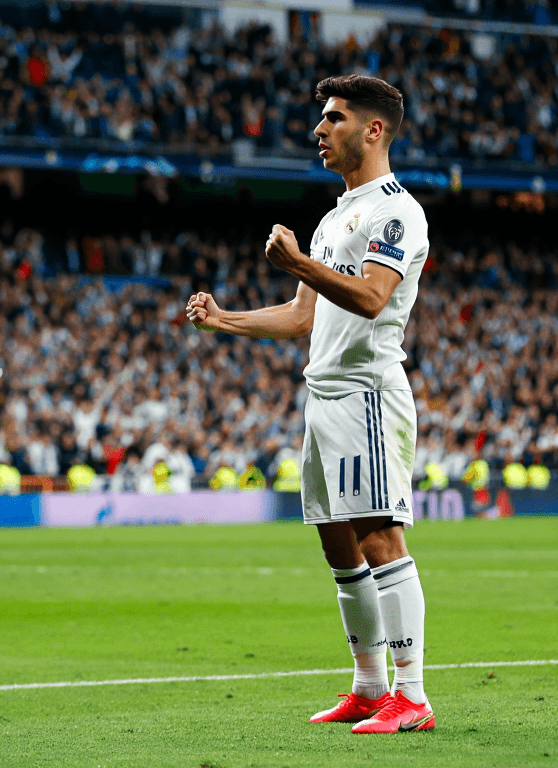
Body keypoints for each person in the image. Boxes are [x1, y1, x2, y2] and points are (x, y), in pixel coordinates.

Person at [186, 75, 433, 734]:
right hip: (322, 395)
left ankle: (413, 695)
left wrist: (298, 263)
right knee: (338, 545)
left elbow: (373, 297)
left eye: (333, 118)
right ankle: (369, 686)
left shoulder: (396, 211)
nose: (319, 131)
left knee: (380, 537)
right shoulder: (333, 218)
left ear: (373, 129)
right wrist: (225, 320)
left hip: (368, 393)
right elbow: (304, 318)